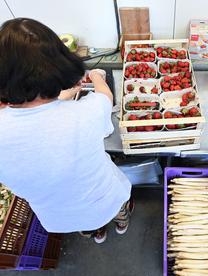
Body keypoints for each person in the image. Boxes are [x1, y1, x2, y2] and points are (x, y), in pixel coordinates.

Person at [0, 18, 133, 244]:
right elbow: (105, 97)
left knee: (83, 225)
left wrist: (64, 95)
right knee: (116, 207)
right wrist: (98, 77)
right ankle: (121, 222)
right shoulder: (85, 113)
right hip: (104, 199)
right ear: (60, 68)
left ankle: (96, 233)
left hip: (58, 218)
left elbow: (34, 113)